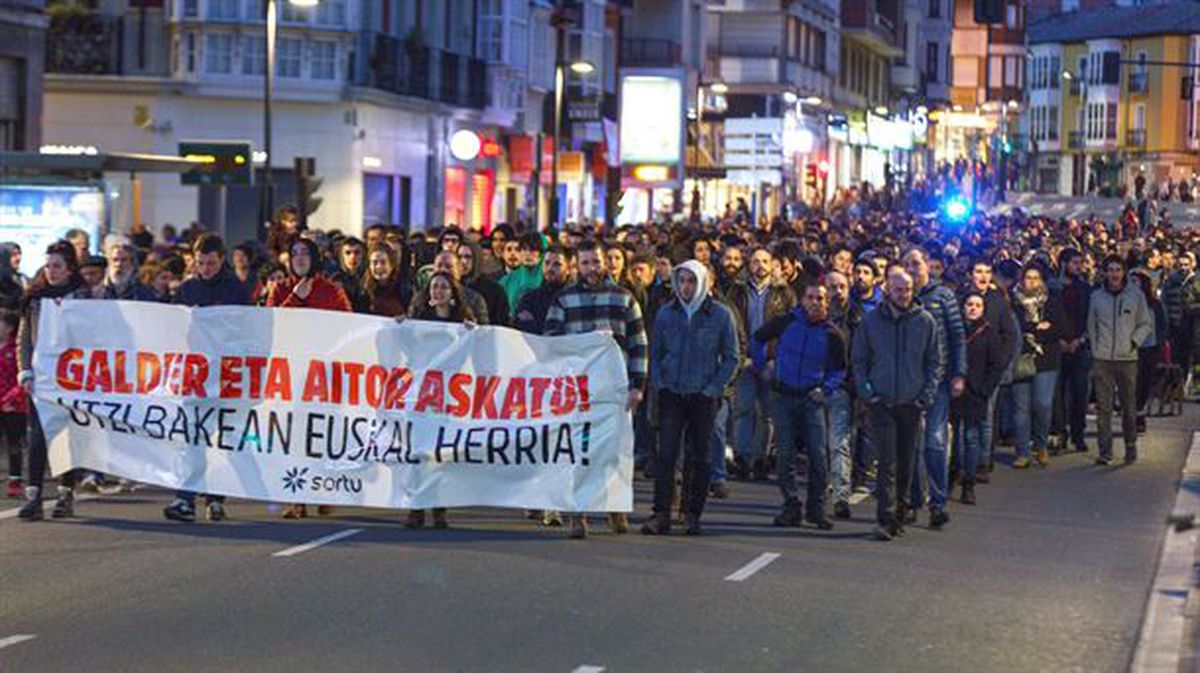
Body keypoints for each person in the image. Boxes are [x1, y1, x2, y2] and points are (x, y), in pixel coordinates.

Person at [544, 240, 648, 539]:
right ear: (577, 265)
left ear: (606, 263)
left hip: (614, 389)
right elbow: (550, 341)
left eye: (595, 262)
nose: (591, 268)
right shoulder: (564, 299)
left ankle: (615, 507)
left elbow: (638, 343)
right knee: (580, 452)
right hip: (578, 390)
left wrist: (637, 386)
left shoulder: (624, 298)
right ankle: (580, 513)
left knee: (614, 451)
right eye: (585, 263)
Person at [641, 261, 739, 536]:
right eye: (682, 280)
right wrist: (659, 383)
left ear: (704, 283)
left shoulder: (720, 315)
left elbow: (732, 357)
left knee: (701, 457)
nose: (686, 286)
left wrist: (714, 388)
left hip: (703, 395)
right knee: (667, 455)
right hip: (672, 392)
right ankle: (661, 513)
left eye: (692, 281)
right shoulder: (665, 314)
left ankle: (691, 513)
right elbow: (656, 352)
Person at [162, 234, 251, 523]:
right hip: (196, 376)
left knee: (218, 440)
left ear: (221, 260)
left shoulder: (236, 290)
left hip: (225, 376)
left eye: (211, 263)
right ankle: (186, 498)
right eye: (201, 263)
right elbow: (173, 329)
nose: (206, 268)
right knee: (192, 438)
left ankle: (214, 498)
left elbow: (247, 329)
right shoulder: (188, 289)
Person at [852, 267, 942, 541]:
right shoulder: (871, 322)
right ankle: (886, 516)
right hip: (881, 402)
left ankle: (901, 512)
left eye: (907, 290)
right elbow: (859, 359)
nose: (903, 295)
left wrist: (924, 397)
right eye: (898, 290)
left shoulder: (925, 321)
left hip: (911, 402)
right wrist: (868, 393)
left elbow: (934, 363)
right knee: (887, 461)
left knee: (906, 461)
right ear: (887, 290)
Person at [754, 280, 846, 531]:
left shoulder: (832, 334)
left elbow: (839, 370)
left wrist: (825, 389)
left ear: (827, 303)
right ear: (802, 299)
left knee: (818, 456)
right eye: (810, 297)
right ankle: (791, 505)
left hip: (811, 399)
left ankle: (816, 509)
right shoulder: (785, 322)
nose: (814, 303)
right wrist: (765, 365)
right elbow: (758, 339)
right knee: (784, 455)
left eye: (820, 299)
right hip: (783, 396)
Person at [17, 241, 93, 521]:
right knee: (36, 435)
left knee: (67, 435)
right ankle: (34, 495)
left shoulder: (82, 298)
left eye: (57, 266)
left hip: (72, 379)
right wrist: (24, 369)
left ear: (70, 268)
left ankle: (65, 493)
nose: (51, 271)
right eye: (48, 265)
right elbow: (24, 337)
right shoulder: (35, 296)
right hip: (41, 378)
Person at [400, 271, 478, 530]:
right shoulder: (420, 321)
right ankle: (416, 508)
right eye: (434, 287)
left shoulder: (462, 323)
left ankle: (439, 509)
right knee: (419, 453)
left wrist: (473, 332)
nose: (438, 291)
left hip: (450, 396)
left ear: (452, 293)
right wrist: (399, 327)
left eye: (444, 287)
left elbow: (472, 355)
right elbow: (406, 348)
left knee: (441, 454)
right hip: (423, 395)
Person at [903, 248, 965, 528]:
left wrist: (958, 374)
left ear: (928, 265)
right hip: (908, 382)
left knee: (935, 443)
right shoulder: (901, 297)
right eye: (907, 264)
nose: (912, 269)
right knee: (913, 445)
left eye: (916, 263)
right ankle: (914, 501)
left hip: (938, 380)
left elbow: (957, 337)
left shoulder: (943, 296)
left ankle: (938, 502)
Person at [725, 247, 796, 480]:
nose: (760, 265)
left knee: (767, 413)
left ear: (771, 264)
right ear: (749, 264)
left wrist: (778, 357)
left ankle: (760, 459)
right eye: (756, 261)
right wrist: (739, 353)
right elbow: (731, 322)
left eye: (765, 261)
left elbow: (791, 326)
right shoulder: (736, 290)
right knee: (743, 410)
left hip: (772, 360)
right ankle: (742, 458)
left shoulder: (784, 293)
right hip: (744, 359)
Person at [1088, 255, 1153, 465]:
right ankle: (1105, 451)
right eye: (1110, 270)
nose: (1114, 274)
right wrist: (1096, 348)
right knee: (1104, 408)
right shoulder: (1096, 297)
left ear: (1124, 272)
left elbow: (1145, 323)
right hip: (1103, 359)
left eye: (1118, 270)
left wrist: (1134, 342)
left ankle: (1130, 445)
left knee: (1128, 405)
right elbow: (1092, 325)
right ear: (1105, 272)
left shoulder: (1136, 296)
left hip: (1127, 359)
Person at [1009, 264, 1066, 468]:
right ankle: (1022, 451)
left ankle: (1041, 445)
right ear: (1021, 279)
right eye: (1028, 277)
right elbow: (1013, 328)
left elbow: (1059, 328)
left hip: (1046, 361)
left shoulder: (1052, 302)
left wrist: (1033, 332)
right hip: (1021, 359)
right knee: (1021, 408)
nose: (1031, 281)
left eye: (1036, 277)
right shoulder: (1013, 302)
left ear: (1042, 281)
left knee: (1043, 405)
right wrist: (1037, 327)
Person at [954, 292, 1006, 504]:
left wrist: (984, 390)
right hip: (955, 392)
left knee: (970, 438)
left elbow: (995, 366)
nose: (973, 308)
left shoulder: (989, 333)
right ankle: (952, 473)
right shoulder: (955, 331)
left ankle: (969, 482)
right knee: (954, 439)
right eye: (969, 304)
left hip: (976, 394)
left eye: (977, 305)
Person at [1054, 249, 1093, 455]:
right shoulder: (1053, 288)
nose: (1078, 267)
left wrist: (1081, 339)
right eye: (1074, 263)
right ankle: (1060, 433)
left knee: (1080, 393)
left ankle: (1078, 433)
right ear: (1063, 263)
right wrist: (1058, 340)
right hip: (1057, 346)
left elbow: (1090, 316)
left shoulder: (1085, 288)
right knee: (1057, 394)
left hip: (1080, 346)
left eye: (1080, 263)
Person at [1130, 269, 1167, 433]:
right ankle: (1132, 414)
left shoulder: (1155, 303)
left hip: (1150, 348)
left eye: (1136, 281)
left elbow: (1163, 325)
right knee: (1131, 383)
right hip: (1130, 348)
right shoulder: (1125, 301)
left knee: (1145, 383)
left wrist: (1161, 344)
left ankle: (1140, 413)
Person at [0, 310, 26, 498]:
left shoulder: (15, 349)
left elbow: (22, 377)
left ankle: (15, 478)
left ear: (9, 328)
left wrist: (12, 398)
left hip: (13, 405)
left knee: (13, 444)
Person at [457, 241, 509, 327]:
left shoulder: (495, 290)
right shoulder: (450, 287)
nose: (463, 261)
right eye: (459, 257)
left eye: (468, 257)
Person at [363, 242, 412, 318]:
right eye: (375, 263)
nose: (379, 267)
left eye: (383, 262)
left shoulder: (404, 289)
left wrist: (406, 317)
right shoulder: (363, 290)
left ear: (392, 265)